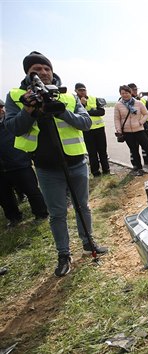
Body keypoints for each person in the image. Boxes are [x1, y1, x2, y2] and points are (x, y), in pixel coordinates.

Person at [4, 51, 109, 276]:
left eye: (46, 69)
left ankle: (89, 242)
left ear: (52, 71)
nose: (43, 73)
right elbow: (13, 128)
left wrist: (62, 113)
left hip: (76, 162)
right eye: (36, 70)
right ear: (27, 73)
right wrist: (29, 110)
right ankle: (64, 253)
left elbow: (86, 122)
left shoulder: (68, 96)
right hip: (46, 167)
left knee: (83, 206)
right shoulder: (16, 96)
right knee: (58, 213)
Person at [0, 98, 48, 227]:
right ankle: (13, 218)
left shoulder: (11, 122)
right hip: (2, 169)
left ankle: (41, 214)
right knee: (5, 197)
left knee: (32, 191)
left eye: (1, 107)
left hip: (19, 164)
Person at [114, 85, 148, 176]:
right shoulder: (118, 105)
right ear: (120, 94)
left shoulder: (138, 103)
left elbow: (146, 114)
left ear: (130, 93)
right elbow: (117, 119)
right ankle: (139, 168)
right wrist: (118, 130)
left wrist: (141, 122)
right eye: (122, 93)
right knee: (134, 150)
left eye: (127, 93)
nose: (125, 95)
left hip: (139, 130)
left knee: (147, 148)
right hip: (127, 132)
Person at [74, 83, 109, 177]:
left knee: (103, 151)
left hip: (99, 128)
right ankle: (95, 172)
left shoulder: (94, 99)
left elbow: (101, 112)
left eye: (83, 90)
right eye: (80, 90)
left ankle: (106, 170)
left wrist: (87, 112)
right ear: (76, 91)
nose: (82, 92)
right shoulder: (74, 101)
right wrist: (82, 105)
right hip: (86, 130)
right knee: (92, 152)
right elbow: (76, 115)